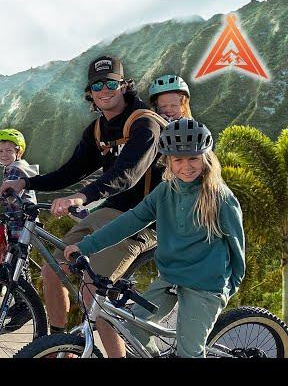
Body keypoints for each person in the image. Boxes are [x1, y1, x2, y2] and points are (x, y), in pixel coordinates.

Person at [0, 56, 167, 358]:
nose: (105, 90)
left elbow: (127, 174)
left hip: (144, 219)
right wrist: (26, 184)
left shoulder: (146, 124)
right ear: (90, 92)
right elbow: (70, 170)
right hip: (109, 212)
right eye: (97, 85)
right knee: (53, 269)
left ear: (123, 85)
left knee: (94, 292)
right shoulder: (98, 131)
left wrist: (81, 197)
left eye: (111, 83)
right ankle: (58, 348)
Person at [65, 118, 245, 358]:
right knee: (134, 332)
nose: (186, 166)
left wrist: (227, 288)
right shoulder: (165, 191)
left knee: (189, 352)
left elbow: (237, 246)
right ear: (168, 161)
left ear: (206, 157)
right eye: (178, 160)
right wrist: (87, 245)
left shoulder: (220, 198)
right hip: (170, 277)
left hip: (206, 285)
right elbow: (130, 221)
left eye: (193, 158)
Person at [0, 128, 39, 330]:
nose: (3, 154)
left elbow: (7, 195)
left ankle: (24, 305)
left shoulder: (15, 169)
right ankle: (21, 303)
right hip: (18, 219)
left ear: (18, 152)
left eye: (8, 151)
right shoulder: (16, 167)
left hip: (22, 221)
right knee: (17, 261)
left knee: (18, 261)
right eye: (0, 151)